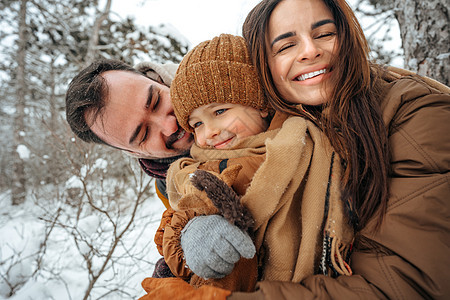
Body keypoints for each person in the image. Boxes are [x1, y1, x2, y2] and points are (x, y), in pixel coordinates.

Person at [140, 0, 450, 299]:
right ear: (265, 67)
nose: (310, 50)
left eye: (324, 34)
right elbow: (195, 198)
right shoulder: (288, 125)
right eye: (286, 45)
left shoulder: (416, 115)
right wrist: (189, 233)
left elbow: (406, 283)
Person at [140, 33, 355, 299]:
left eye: (220, 112)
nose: (210, 133)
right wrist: (189, 232)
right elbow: (187, 207)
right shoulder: (198, 170)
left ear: (260, 104)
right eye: (197, 124)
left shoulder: (311, 137)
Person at [65, 59, 194, 208]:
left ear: (159, 80)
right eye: (144, 134)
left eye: (156, 101)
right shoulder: (171, 194)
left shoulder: (223, 67)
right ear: (134, 152)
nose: (170, 126)